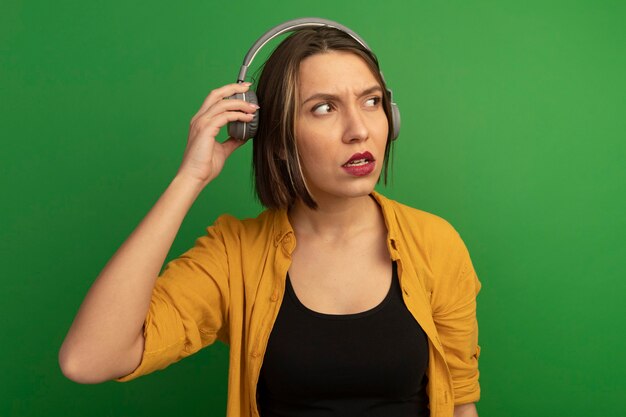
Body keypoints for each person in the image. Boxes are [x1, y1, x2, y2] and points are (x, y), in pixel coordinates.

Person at [59, 18, 481, 417]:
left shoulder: (436, 243)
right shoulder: (235, 254)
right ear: (276, 139)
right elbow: (88, 359)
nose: (359, 129)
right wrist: (190, 179)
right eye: (323, 108)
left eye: (371, 101)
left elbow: (460, 404)